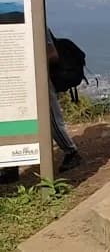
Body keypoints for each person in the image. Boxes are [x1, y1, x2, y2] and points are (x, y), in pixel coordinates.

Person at [0, 29, 82, 184]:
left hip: (37, 78)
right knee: (11, 118)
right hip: (13, 80)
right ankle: (11, 166)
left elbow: (52, 55)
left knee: (50, 118)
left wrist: (24, 61)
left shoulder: (36, 25)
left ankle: (71, 152)